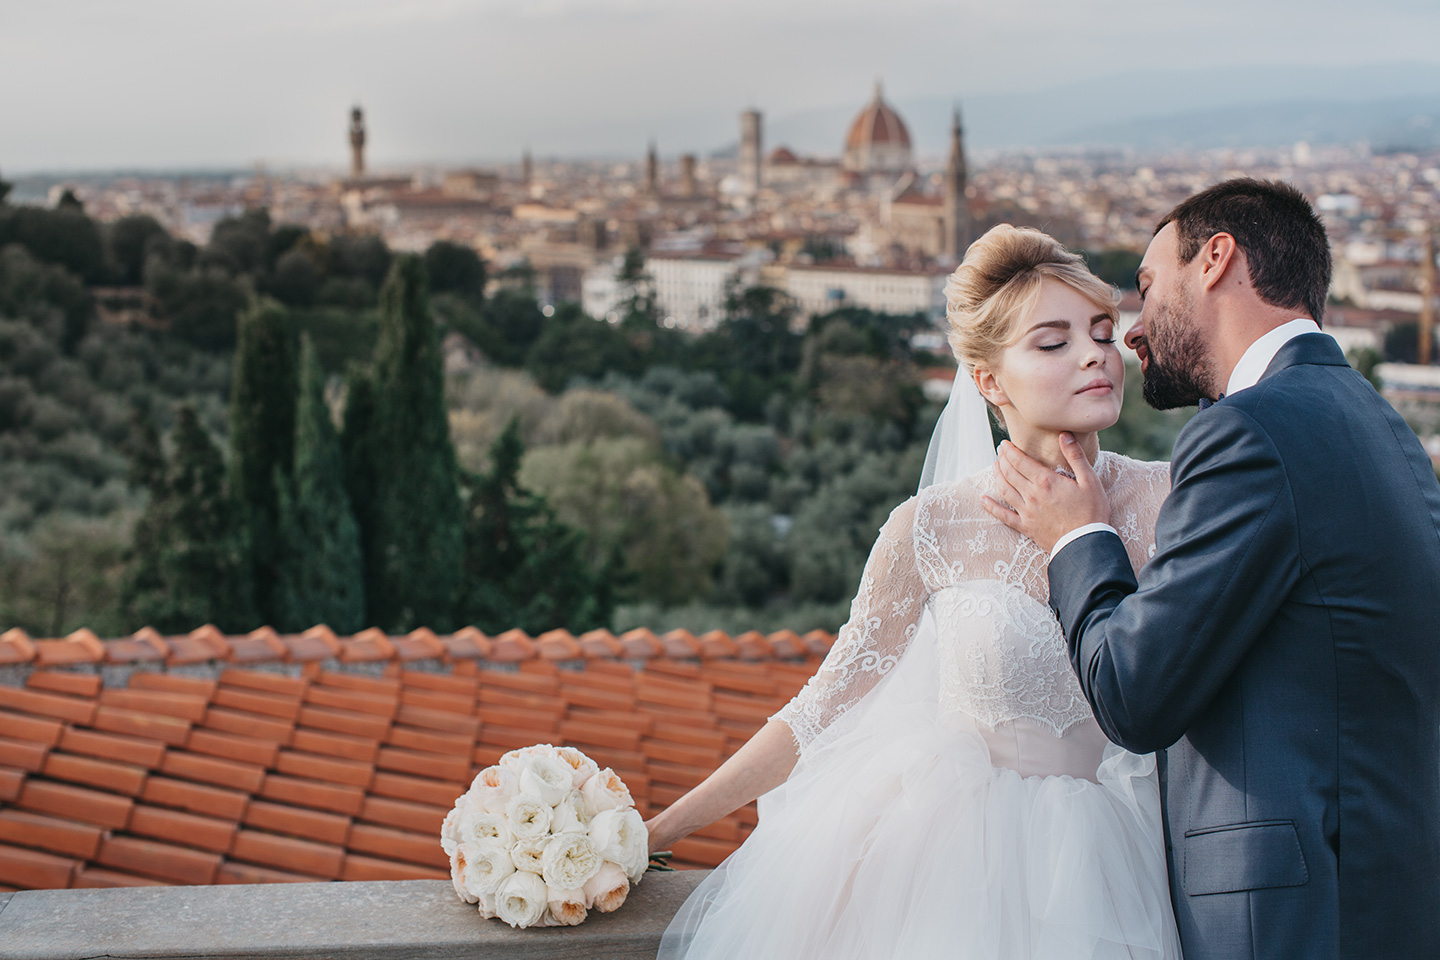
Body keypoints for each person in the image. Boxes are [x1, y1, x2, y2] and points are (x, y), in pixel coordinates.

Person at [648, 225, 1182, 960]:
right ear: (989, 380)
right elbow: (821, 709)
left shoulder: (1167, 503)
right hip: (947, 865)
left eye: (1102, 332)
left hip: (1117, 865)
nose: (1096, 354)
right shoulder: (929, 526)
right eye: (1053, 342)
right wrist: (652, 834)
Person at [983, 179, 1440, 959]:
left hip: (1290, 919)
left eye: (1149, 286)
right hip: (1374, 891)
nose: (1130, 336)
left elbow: (1134, 694)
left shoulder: (1253, 433)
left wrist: (1076, 539)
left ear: (1216, 261)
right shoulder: (1374, 423)